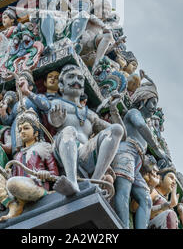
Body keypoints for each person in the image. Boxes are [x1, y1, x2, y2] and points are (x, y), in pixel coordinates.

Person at [41, 64, 124, 196]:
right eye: (71, 77)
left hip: (86, 152)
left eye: (80, 78)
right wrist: (56, 120)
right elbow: (53, 121)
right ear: (61, 86)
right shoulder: (58, 103)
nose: (76, 81)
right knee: (69, 129)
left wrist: (113, 109)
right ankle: (72, 181)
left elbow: (121, 134)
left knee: (116, 129)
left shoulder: (89, 114)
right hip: (64, 148)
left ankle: (95, 182)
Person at [0, 109, 59, 222]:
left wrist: (45, 174)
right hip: (17, 190)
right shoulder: (18, 155)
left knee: (13, 183)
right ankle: (12, 205)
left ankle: (39, 195)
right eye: (20, 129)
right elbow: (11, 178)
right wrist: (0, 170)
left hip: (35, 187)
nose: (22, 132)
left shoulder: (44, 147)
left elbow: (55, 174)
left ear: (36, 132)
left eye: (26, 128)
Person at [112, 77, 169, 229]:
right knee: (124, 190)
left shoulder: (145, 122)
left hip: (136, 161)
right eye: (153, 103)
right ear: (143, 100)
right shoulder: (134, 112)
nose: (154, 108)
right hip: (126, 153)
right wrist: (157, 149)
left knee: (146, 198)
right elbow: (141, 126)